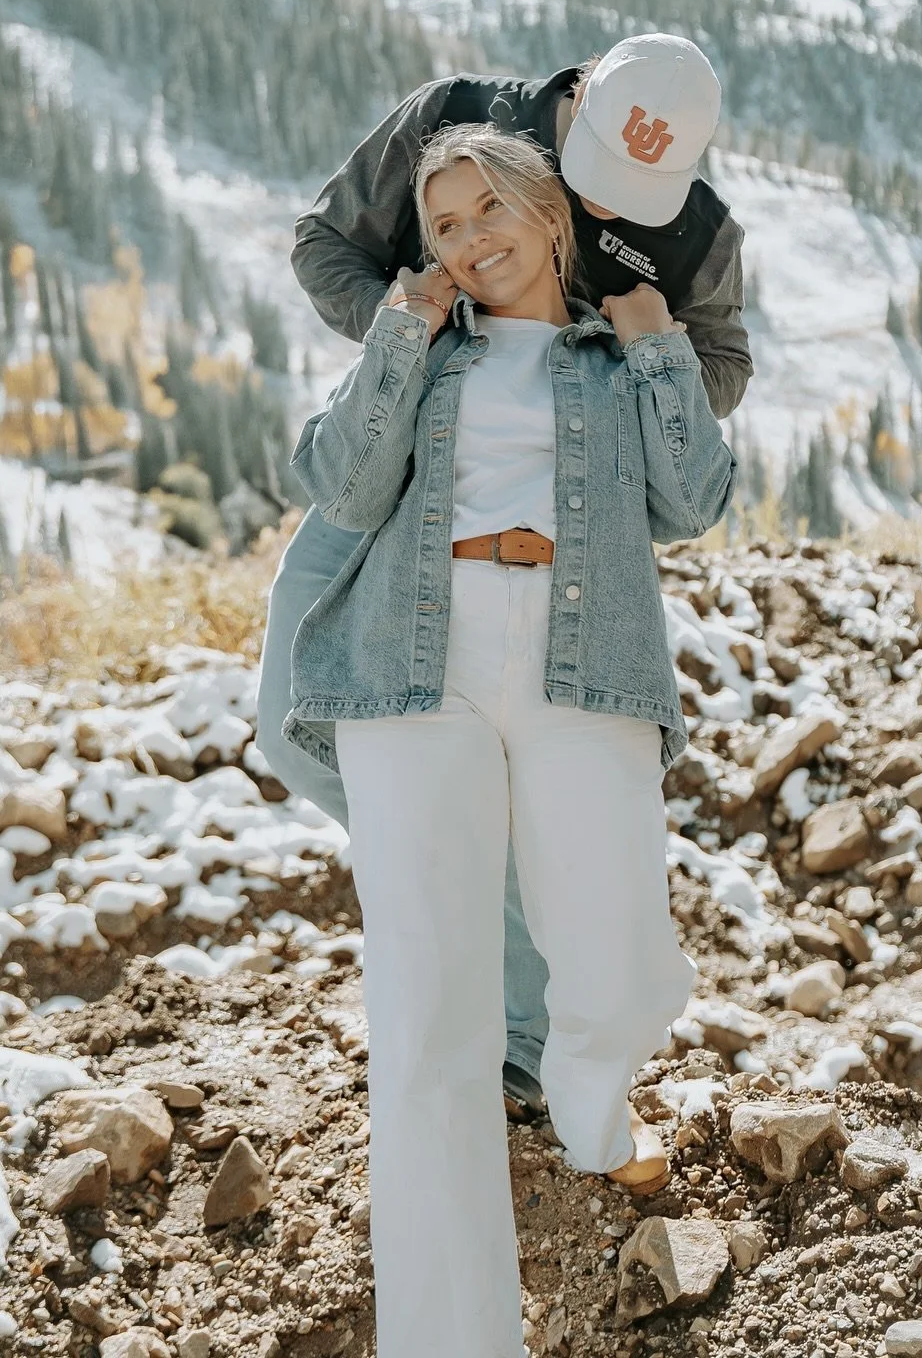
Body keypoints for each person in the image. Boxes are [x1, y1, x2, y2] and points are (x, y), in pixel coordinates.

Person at [283, 123, 736, 1357]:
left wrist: (661, 355)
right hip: (414, 666)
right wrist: (398, 331)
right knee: (429, 1012)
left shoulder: (611, 355)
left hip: (584, 659)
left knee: (620, 953)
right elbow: (339, 485)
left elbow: (696, 502)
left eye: (490, 210)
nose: (471, 239)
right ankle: (450, 1336)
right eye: (443, 224)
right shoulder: (426, 354)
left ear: (550, 218)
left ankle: (593, 1102)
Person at [256, 33, 750, 1115]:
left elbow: (724, 362)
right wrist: (428, 339)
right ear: (574, 108)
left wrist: (617, 370)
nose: (609, 210)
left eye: (639, 197)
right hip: (405, 462)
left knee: (537, 775)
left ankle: (517, 1030)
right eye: (594, 179)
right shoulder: (459, 115)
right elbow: (321, 243)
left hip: (560, 530)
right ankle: (482, 924)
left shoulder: (699, 230)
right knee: (293, 725)